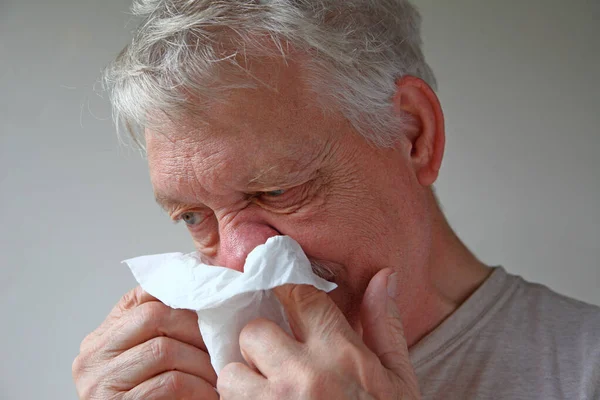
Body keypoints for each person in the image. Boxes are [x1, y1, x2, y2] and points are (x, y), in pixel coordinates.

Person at [72, 1, 600, 399]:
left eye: (276, 190)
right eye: (193, 216)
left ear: (413, 134)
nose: (237, 260)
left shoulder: (582, 371)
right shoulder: (179, 380)